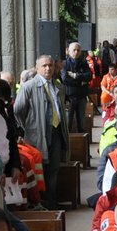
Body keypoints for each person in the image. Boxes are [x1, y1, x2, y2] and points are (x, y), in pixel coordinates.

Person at [13, 53, 71, 209]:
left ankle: (52, 201)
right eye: (44, 65)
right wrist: (29, 127)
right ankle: (41, 202)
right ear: (37, 68)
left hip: (56, 131)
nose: (48, 68)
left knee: (54, 168)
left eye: (50, 65)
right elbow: (18, 111)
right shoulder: (28, 87)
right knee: (40, 168)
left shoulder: (59, 86)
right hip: (37, 135)